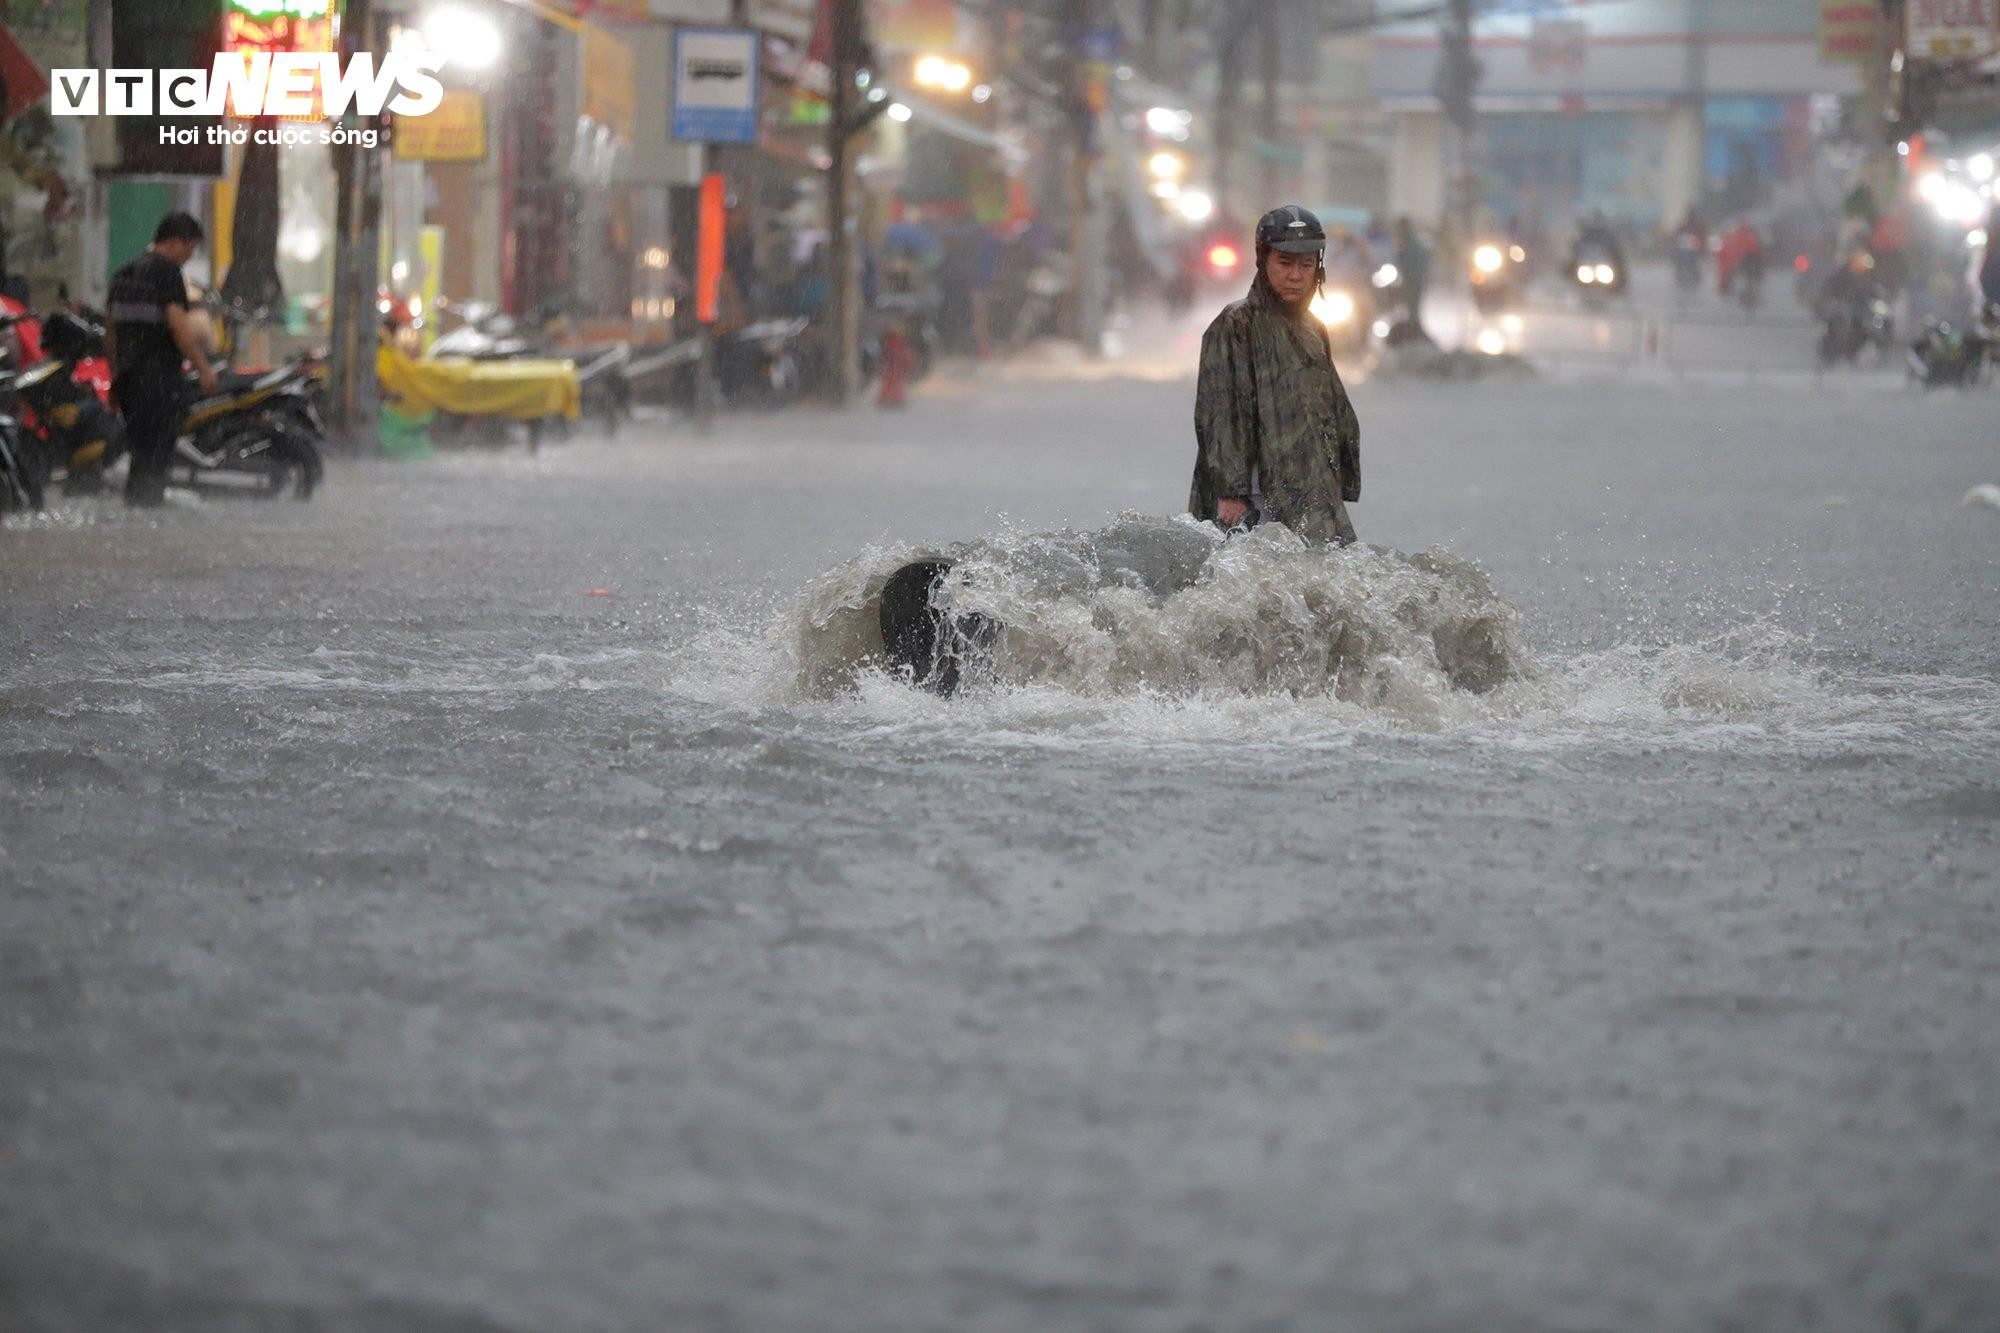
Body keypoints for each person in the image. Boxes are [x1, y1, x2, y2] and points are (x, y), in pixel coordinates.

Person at [1189, 204, 1360, 547]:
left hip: (1310, 489)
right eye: (1284, 263)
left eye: (1306, 264)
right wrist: (1231, 492)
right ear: (1263, 261)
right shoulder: (1236, 324)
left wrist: (1341, 477)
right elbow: (1220, 412)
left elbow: (1331, 407)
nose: (1296, 275)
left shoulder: (1313, 329)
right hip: (1253, 497)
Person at [104, 212, 217, 507]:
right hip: (158, 380)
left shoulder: (123, 273)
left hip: (129, 380)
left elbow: (111, 333)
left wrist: (116, 381)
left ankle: (135, 516)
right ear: (178, 241)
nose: (188, 258)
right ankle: (148, 516)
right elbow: (178, 326)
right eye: (190, 250)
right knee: (156, 459)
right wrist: (204, 369)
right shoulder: (166, 272)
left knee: (139, 455)